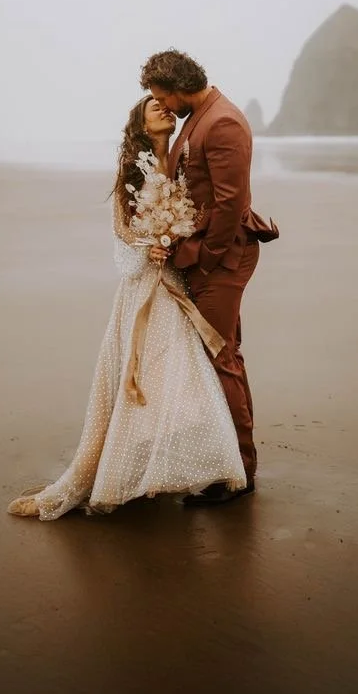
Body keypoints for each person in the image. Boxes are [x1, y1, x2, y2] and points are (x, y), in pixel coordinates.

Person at [7, 95, 245, 520]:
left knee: (178, 373)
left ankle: (167, 466)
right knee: (145, 373)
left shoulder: (179, 159)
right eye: (153, 105)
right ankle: (125, 472)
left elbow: (198, 208)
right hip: (143, 286)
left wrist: (177, 237)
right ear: (139, 120)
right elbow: (122, 227)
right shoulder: (132, 168)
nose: (164, 109)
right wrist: (149, 245)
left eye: (166, 104)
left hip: (173, 279)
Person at [140, 50, 278, 506]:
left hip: (223, 258)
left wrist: (203, 259)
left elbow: (230, 204)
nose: (161, 104)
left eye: (162, 96)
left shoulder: (222, 123)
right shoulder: (195, 118)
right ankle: (232, 463)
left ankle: (239, 473)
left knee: (222, 357)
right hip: (208, 256)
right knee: (224, 355)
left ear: (179, 86)